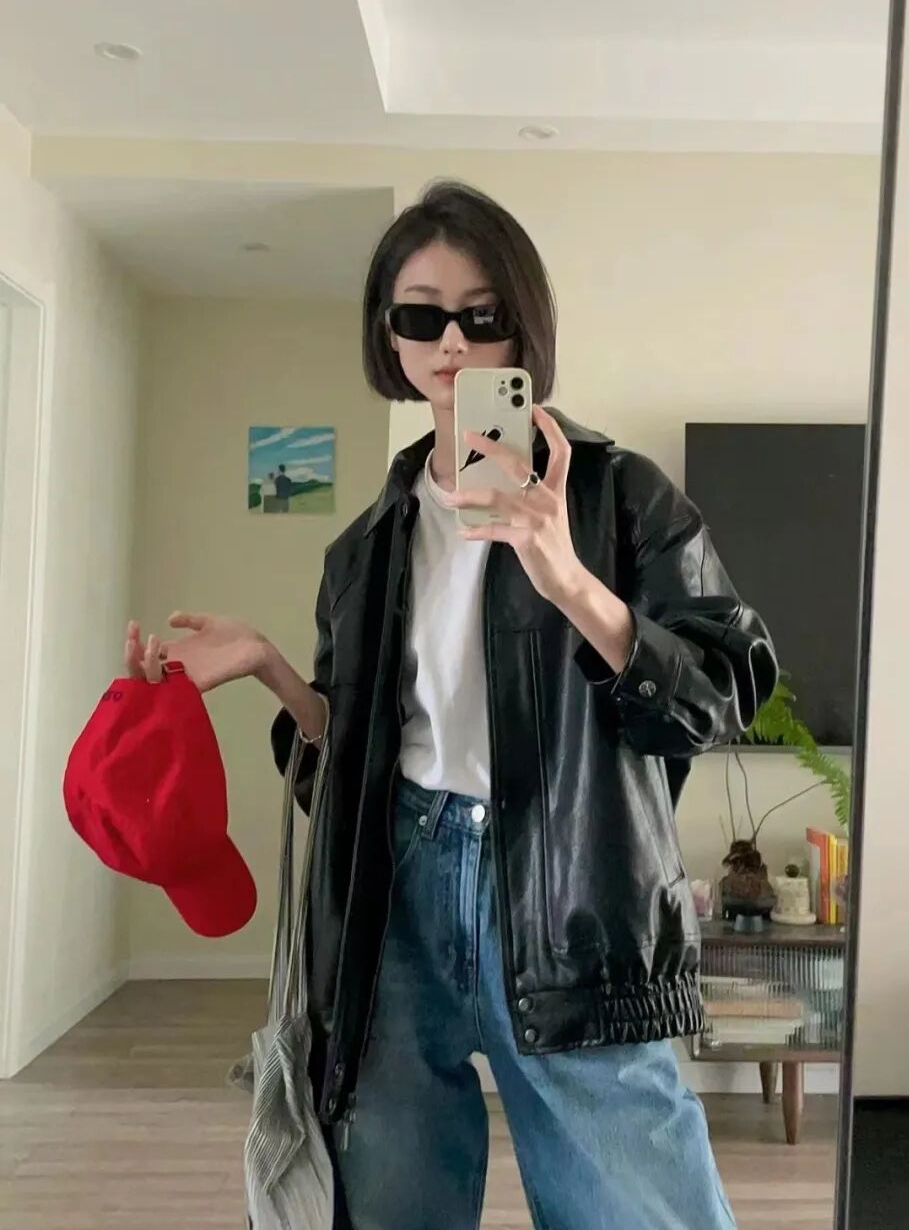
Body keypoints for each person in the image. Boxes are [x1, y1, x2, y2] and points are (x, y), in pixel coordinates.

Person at [125, 181, 776, 1230]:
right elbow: (347, 766)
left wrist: (569, 578)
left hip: (570, 892)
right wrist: (272, 670)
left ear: (523, 327)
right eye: (421, 315)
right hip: (399, 890)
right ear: (389, 334)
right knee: (391, 1205)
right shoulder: (364, 548)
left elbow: (717, 695)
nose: (453, 343)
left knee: (643, 1204)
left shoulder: (619, 494)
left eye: (483, 314)